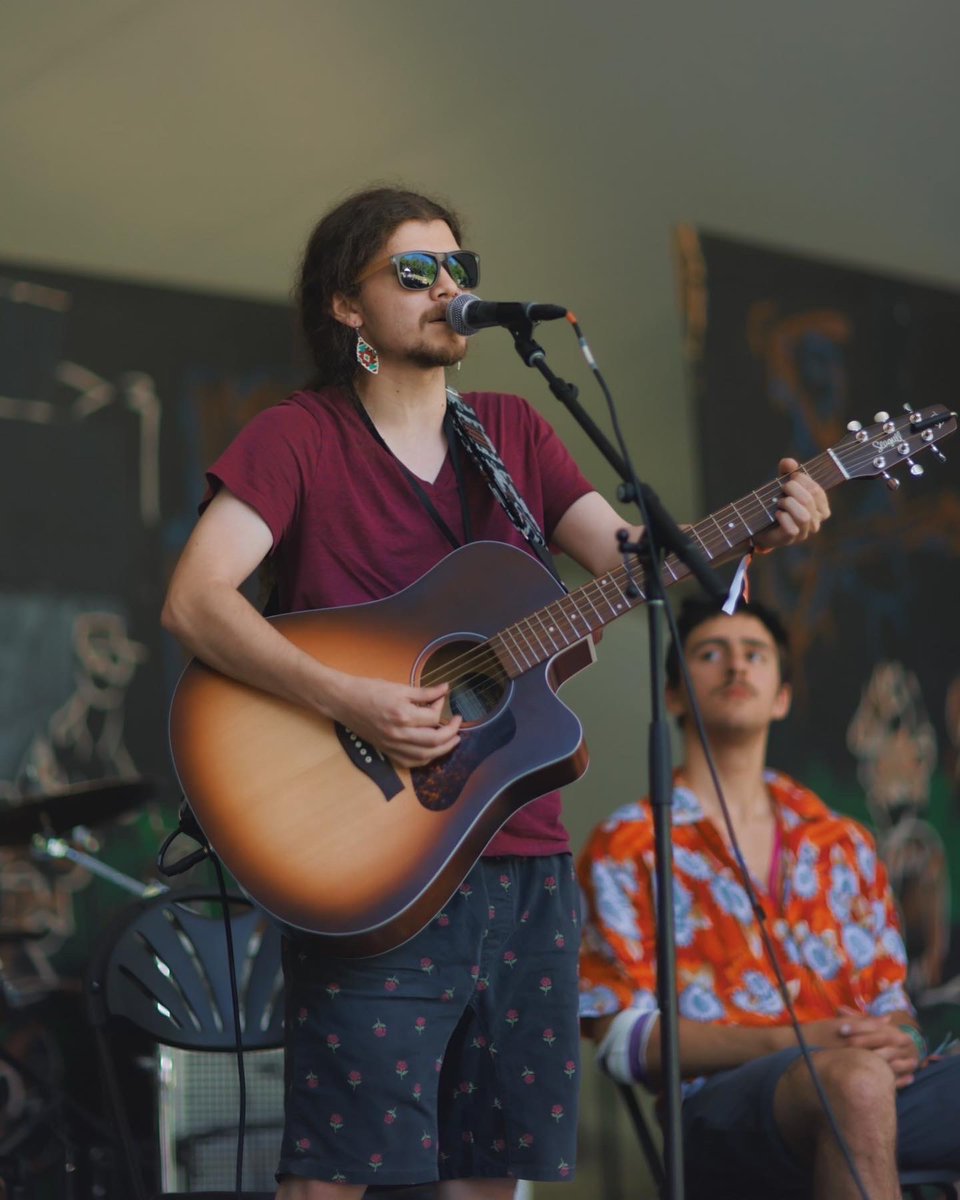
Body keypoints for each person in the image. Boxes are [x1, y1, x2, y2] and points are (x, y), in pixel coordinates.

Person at [161, 186, 830, 1200]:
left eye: (460, 269)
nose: (449, 290)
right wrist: (351, 697)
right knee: (334, 1178)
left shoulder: (514, 432)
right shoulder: (297, 438)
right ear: (349, 306)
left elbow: (635, 560)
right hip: (371, 856)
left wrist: (750, 535)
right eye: (416, 273)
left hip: (524, 864)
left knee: (493, 1177)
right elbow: (196, 602)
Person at [578, 594, 960, 1200]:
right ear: (674, 694)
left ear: (782, 695)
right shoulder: (628, 844)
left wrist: (905, 1040)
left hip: (871, 1097)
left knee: (865, 1081)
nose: (735, 667)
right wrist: (794, 1042)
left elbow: (894, 1006)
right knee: (856, 1081)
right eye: (710, 653)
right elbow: (622, 1043)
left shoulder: (845, 841)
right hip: (717, 1115)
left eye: (754, 654)